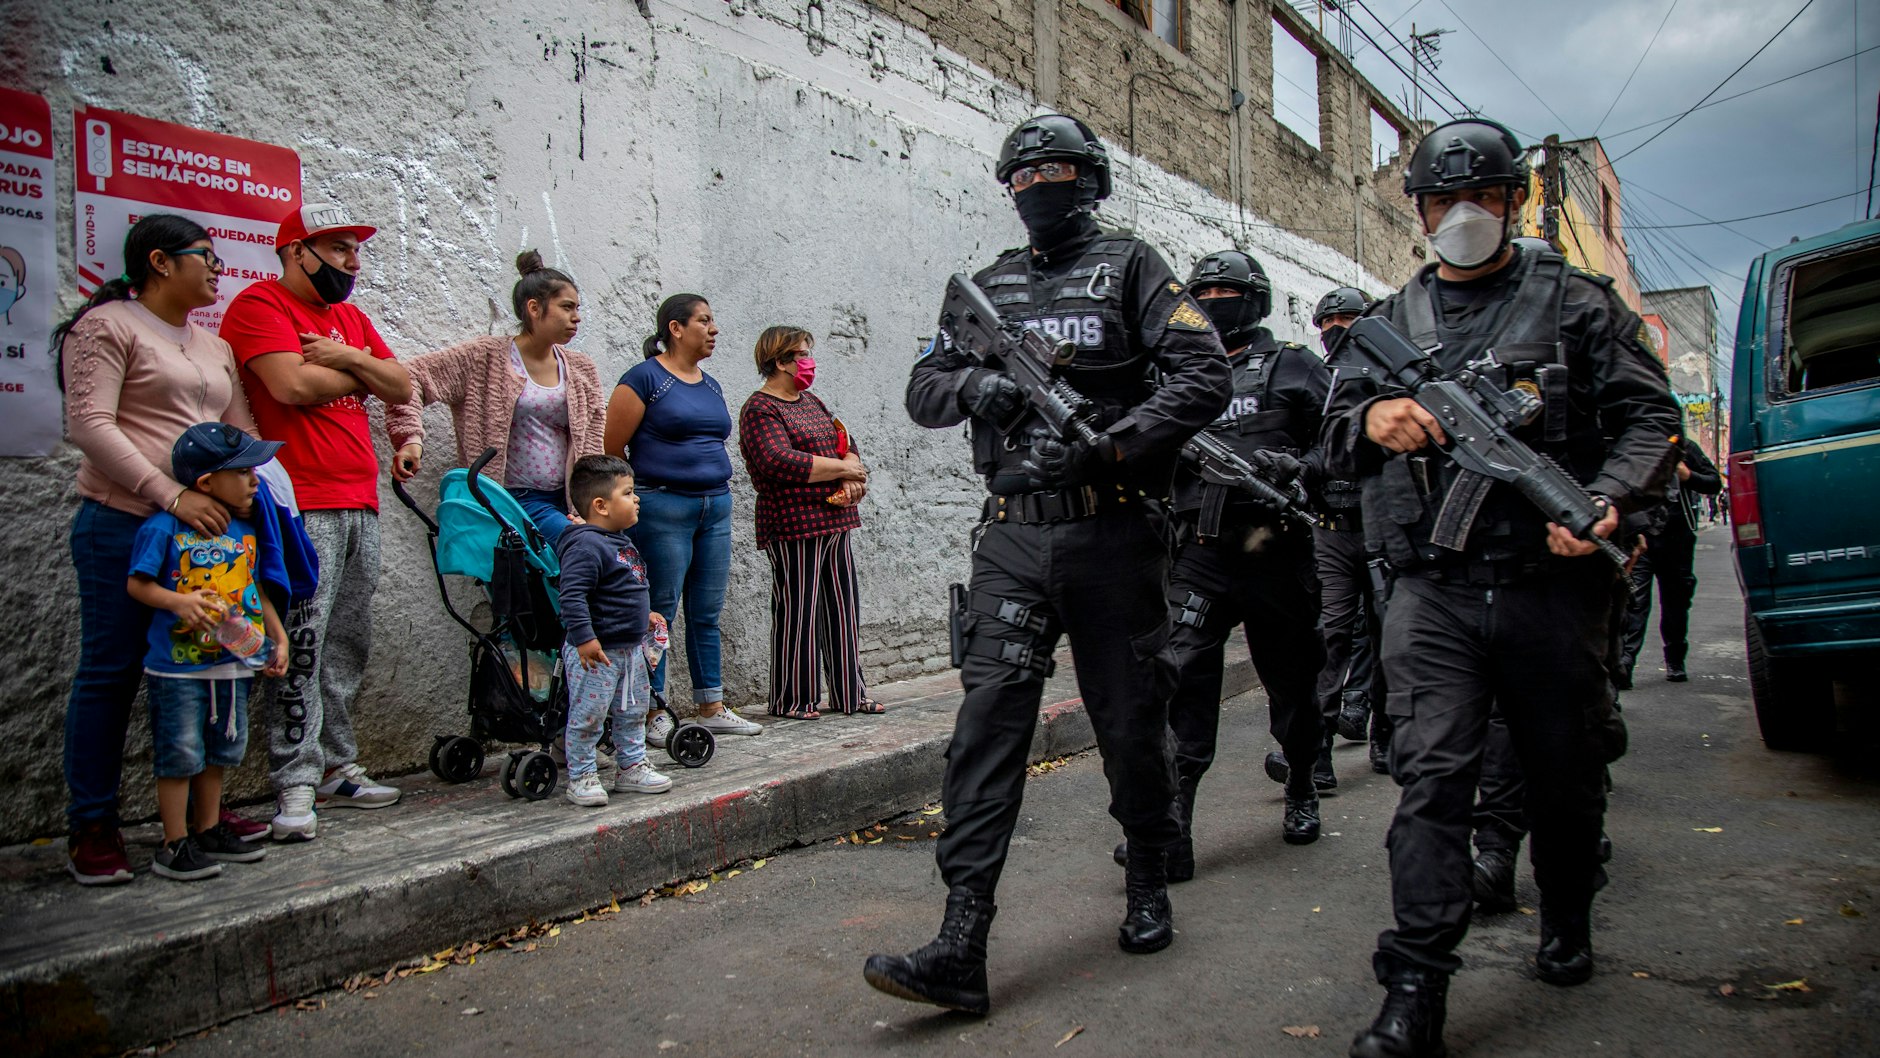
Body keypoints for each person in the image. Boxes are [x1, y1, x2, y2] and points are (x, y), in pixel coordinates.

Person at [1321, 118, 1679, 1058]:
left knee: (1564, 775)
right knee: (1433, 778)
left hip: (1551, 589)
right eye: (1446, 200)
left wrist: (1603, 501)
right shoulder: (1388, 323)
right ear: (1421, 211)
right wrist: (1374, 420)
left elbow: (1651, 421)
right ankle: (1415, 985)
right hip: (1432, 589)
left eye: (1485, 197)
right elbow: (1327, 440)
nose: (1465, 215)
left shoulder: (1580, 305)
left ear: (1517, 202)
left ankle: (1566, 908)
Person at [865, 113, 1230, 1015]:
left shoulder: (1134, 266)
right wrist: (976, 385)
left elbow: (1203, 375)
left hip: (1113, 535)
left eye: (1056, 170)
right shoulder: (987, 287)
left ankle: (1148, 869)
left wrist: (1113, 446)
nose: (1038, 186)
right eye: (1022, 175)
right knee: (986, 729)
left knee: (1129, 720)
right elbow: (922, 389)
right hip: (1013, 538)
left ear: (1091, 179)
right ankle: (961, 940)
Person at [56, 214, 271, 885]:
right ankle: (93, 824)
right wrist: (171, 496)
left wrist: (248, 503)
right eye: (204, 257)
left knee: (211, 671)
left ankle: (202, 824)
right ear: (159, 261)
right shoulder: (107, 326)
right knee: (112, 672)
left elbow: (240, 432)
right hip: (125, 522)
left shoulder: (212, 346)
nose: (217, 268)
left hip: (208, 539)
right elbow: (89, 424)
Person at [1115, 249, 1330, 877]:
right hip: (1199, 554)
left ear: (1254, 300)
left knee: (1292, 683)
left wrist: (1296, 469)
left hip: (1276, 551)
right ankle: (1173, 830)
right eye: (1201, 291)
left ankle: (1301, 785)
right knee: (1180, 685)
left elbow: (1339, 445)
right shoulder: (1172, 377)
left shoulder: (1293, 367)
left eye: (1224, 291)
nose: (1212, 299)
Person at [220, 203, 413, 842]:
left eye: (356, 251)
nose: (352, 264)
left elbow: (400, 384)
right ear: (297, 251)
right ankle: (294, 783)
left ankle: (335, 764)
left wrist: (344, 356)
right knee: (301, 642)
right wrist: (356, 363)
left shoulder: (349, 319)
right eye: (338, 250)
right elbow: (290, 387)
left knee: (346, 642)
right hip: (301, 500)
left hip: (361, 498)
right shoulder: (259, 307)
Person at [126, 424, 292, 879]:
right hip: (177, 669)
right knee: (180, 754)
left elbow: (256, 588)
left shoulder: (245, 530)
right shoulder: (164, 527)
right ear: (206, 483)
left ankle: (209, 828)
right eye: (243, 472)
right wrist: (179, 602)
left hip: (232, 666)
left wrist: (279, 638)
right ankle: (173, 843)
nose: (255, 481)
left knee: (221, 752)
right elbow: (137, 584)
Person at [604, 294, 762, 742]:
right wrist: (637, 501)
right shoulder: (643, 379)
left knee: (706, 611)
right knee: (659, 613)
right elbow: (612, 449)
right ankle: (652, 710)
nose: (714, 329)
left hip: (715, 506)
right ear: (675, 328)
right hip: (662, 508)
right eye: (704, 321)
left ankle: (710, 704)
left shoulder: (709, 384)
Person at [385, 251, 605, 542]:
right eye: (567, 307)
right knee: (587, 548)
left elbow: (591, 440)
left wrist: (589, 506)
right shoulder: (483, 358)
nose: (576, 318)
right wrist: (410, 438)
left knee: (601, 559)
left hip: (566, 503)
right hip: (508, 500)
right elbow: (410, 378)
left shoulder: (581, 368)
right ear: (534, 308)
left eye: (578, 308)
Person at [737, 326, 878, 718]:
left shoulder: (811, 401)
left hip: (835, 520)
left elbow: (843, 441)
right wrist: (844, 468)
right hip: (793, 524)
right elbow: (778, 460)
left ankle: (851, 695)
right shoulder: (760, 408)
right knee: (798, 612)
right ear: (779, 361)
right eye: (800, 355)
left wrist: (851, 471)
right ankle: (792, 699)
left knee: (843, 610)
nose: (808, 362)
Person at [1310, 286, 1393, 777]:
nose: (1336, 328)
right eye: (1328, 320)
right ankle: (1317, 751)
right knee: (1330, 635)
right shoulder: (1313, 379)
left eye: (1348, 319)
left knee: (1386, 638)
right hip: (1330, 529)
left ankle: (1384, 734)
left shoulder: (1388, 383)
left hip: (1380, 529)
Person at [557, 455, 672, 805]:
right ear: (601, 505)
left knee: (633, 712)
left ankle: (632, 766)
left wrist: (646, 614)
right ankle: (581, 775)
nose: (636, 499)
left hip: (630, 649)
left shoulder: (620, 541)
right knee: (589, 715)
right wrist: (585, 639)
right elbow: (573, 595)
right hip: (598, 652)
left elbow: (627, 587)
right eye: (628, 492)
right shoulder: (586, 545)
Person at [1616, 433, 1722, 685]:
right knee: (1634, 604)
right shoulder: (1634, 446)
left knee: (1676, 604)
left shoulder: (1685, 449)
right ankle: (1625, 664)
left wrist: (1688, 476)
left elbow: (1714, 482)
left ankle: (1675, 660)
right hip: (1642, 539)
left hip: (1677, 541)